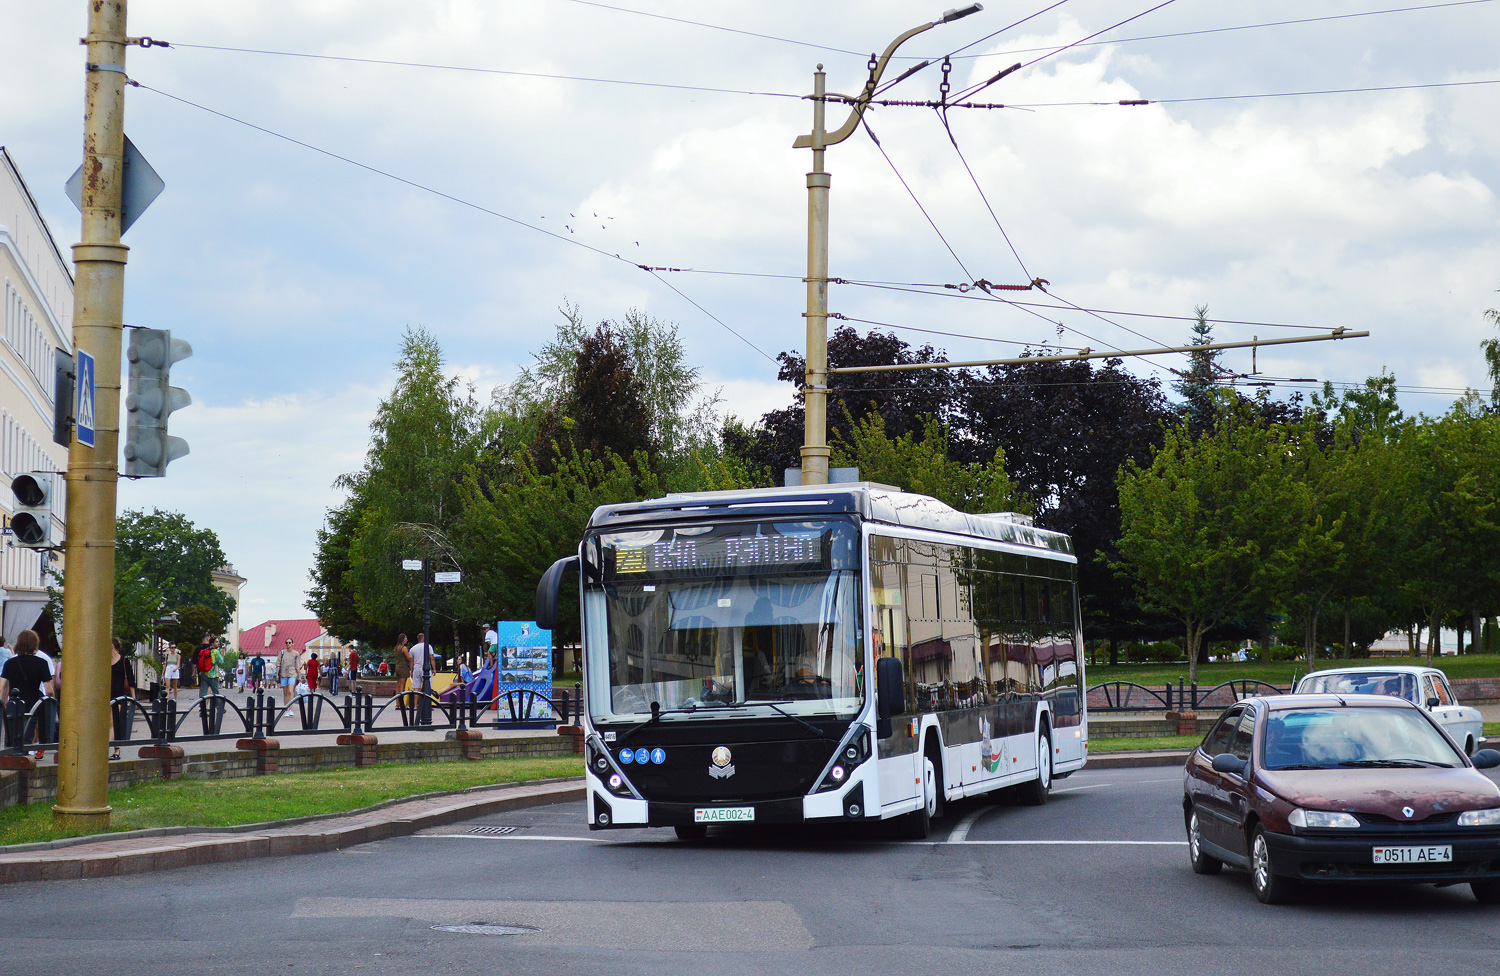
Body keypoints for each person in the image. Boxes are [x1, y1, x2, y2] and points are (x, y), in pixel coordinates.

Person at [1, 630, 53, 759]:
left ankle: (11, 755)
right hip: (33, 702)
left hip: (14, 702)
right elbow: (49, 690)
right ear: (35, 644)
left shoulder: (10, 663)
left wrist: (4, 701)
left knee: (13, 731)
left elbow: (1, 686)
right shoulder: (41, 663)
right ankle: (24, 755)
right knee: (28, 730)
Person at [109, 637, 135, 760]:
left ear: (112, 646)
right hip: (106, 695)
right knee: (108, 722)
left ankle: (116, 749)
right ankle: (108, 748)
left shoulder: (124, 661)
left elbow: (130, 679)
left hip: (119, 696)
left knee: (115, 722)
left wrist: (133, 698)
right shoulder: (104, 661)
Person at [196, 633, 222, 699]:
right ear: (212, 643)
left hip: (204, 674)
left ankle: (202, 705)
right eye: (216, 642)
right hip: (213, 675)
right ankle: (218, 705)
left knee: (203, 694)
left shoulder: (205, 650)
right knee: (216, 693)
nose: (218, 643)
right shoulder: (215, 652)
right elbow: (221, 662)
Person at [276, 638, 300, 705]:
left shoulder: (296, 654)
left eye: (289, 642)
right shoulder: (282, 653)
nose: (288, 644)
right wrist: (277, 674)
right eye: (286, 642)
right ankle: (286, 707)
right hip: (283, 674)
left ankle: (290, 708)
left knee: (290, 691)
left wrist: (299, 675)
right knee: (285, 692)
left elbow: (297, 665)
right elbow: (278, 664)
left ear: (292, 644)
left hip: (292, 673)